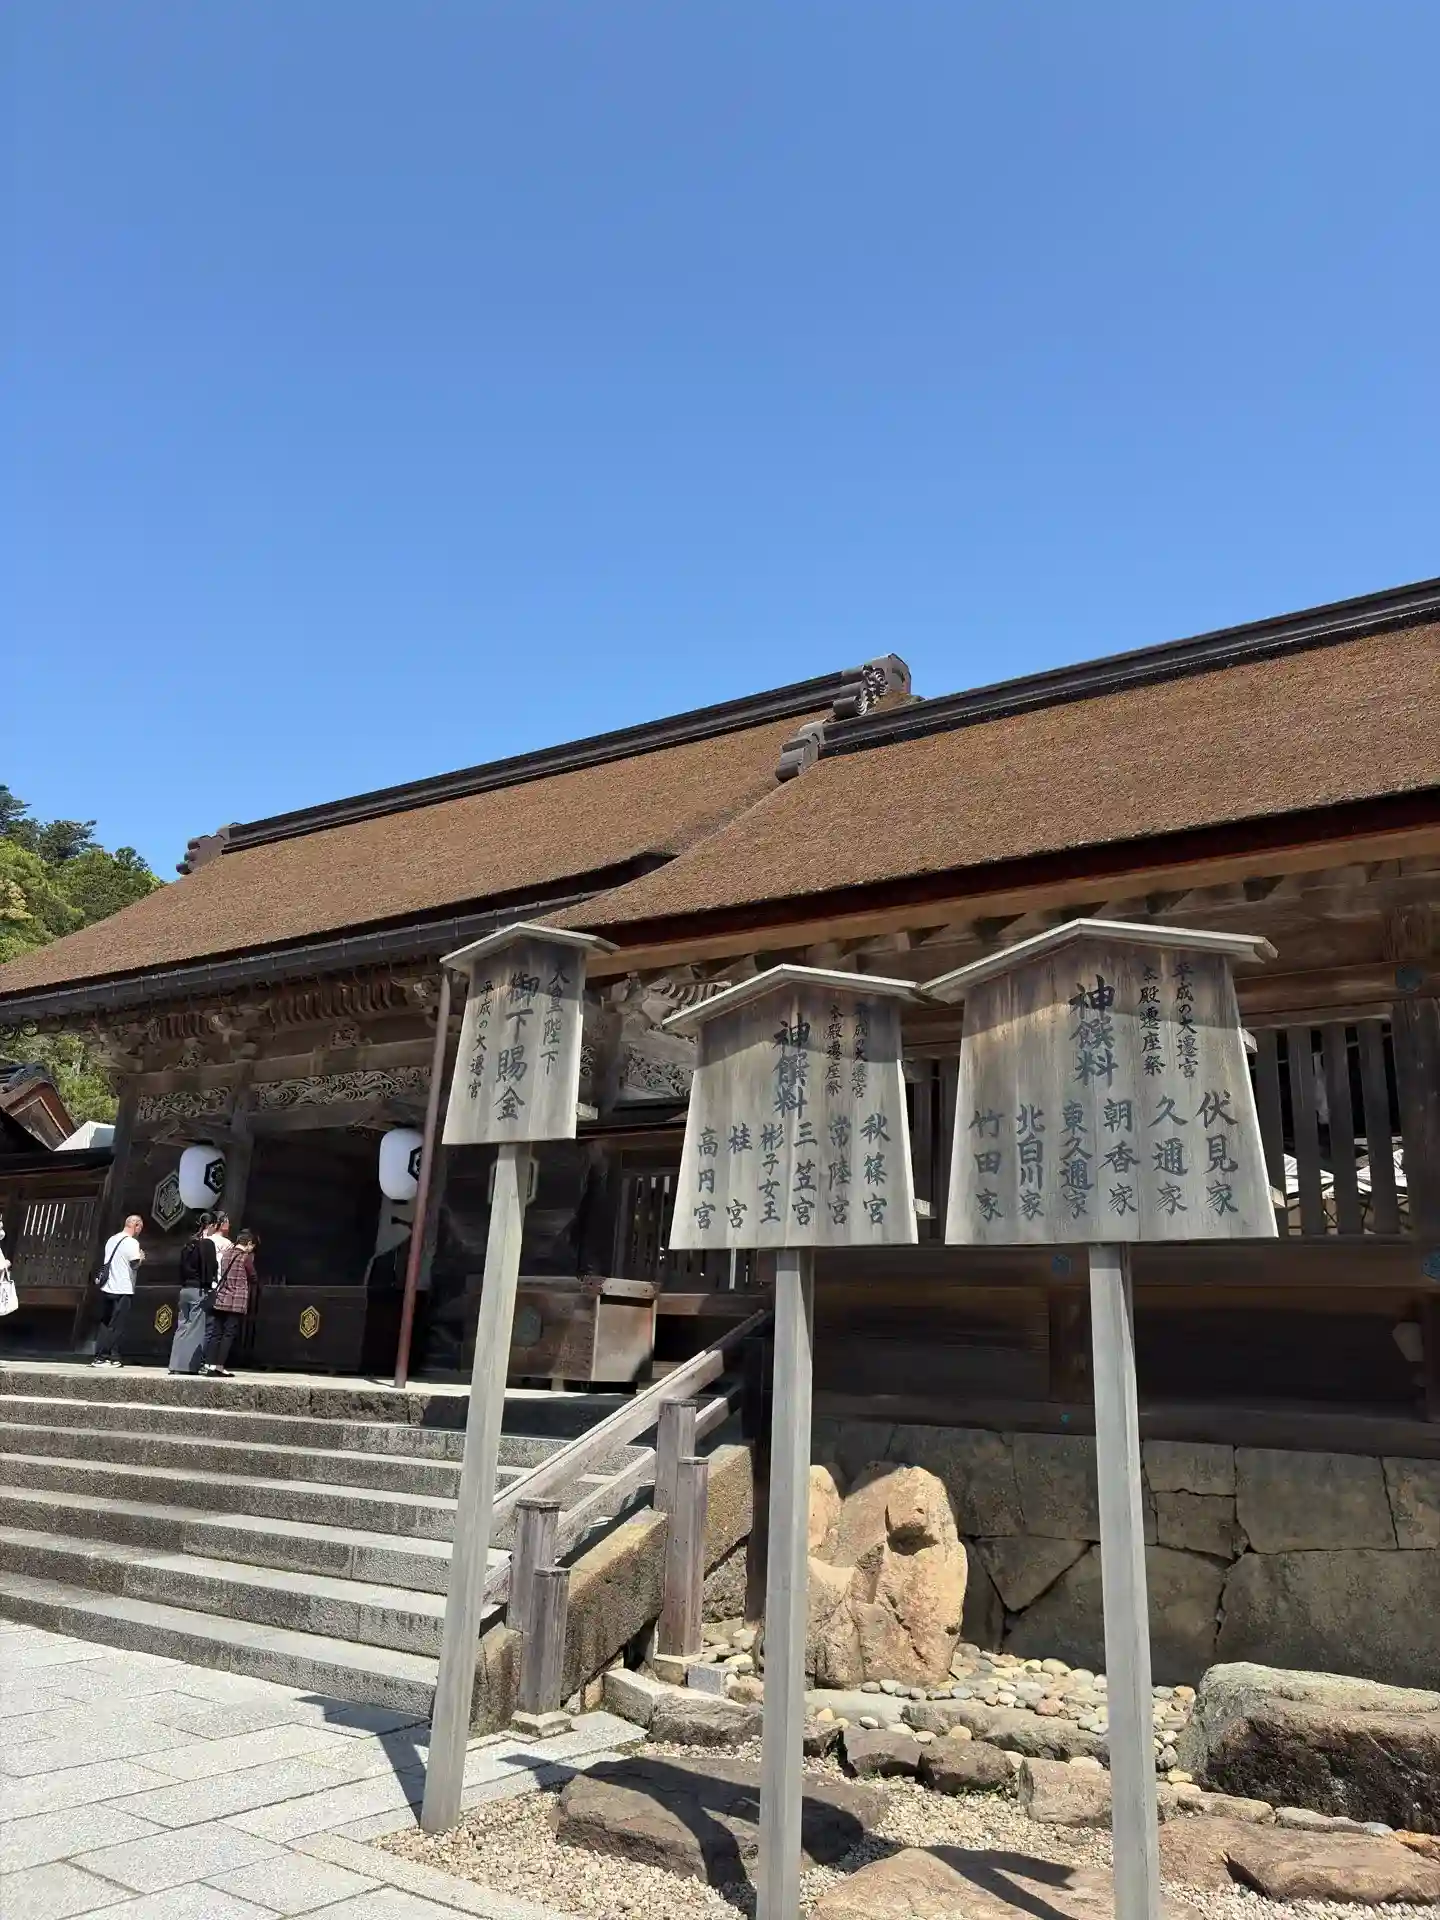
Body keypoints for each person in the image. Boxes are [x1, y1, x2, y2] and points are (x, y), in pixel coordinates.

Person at [201, 1228, 257, 1377]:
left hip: (221, 1298)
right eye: (252, 1246)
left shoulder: (226, 1255)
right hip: (236, 1300)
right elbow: (253, 1276)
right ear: (248, 1243)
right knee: (228, 1333)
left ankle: (210, 1364)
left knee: (216, 1333)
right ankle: (220, 1366)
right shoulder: (245, 1257)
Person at [168, 1213, 217, 1374]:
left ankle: (175, 1364)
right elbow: (210, 1268)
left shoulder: (188, 1244)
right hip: (199, 1289)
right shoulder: (207, 1244)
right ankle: (188, 1365)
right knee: (196, 1328)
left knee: (182, 1326)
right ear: (211, 1225)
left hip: (185, 1289)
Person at [94, 1215, 145, 1367]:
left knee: (105, 1323)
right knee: (117, 1325)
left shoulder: (112, 1239)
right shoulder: (132, 1242)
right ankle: (110, 1357)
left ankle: (101, 1356)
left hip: (108, 1286)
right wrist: (142, 1258)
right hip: (123, 1288)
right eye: (140, 1228)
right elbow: (134, 1264)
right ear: (136, 1225)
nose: (140, 1231)